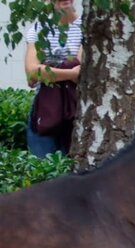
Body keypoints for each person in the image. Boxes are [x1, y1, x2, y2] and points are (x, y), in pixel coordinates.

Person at [23, 0, 82, 157]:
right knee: (43, 170)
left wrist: (47, 70)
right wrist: (71, 73)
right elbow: (32, 73)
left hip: (77, 111)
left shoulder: (86, 29)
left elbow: (82, 70)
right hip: (45, 110)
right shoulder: (39, 29)